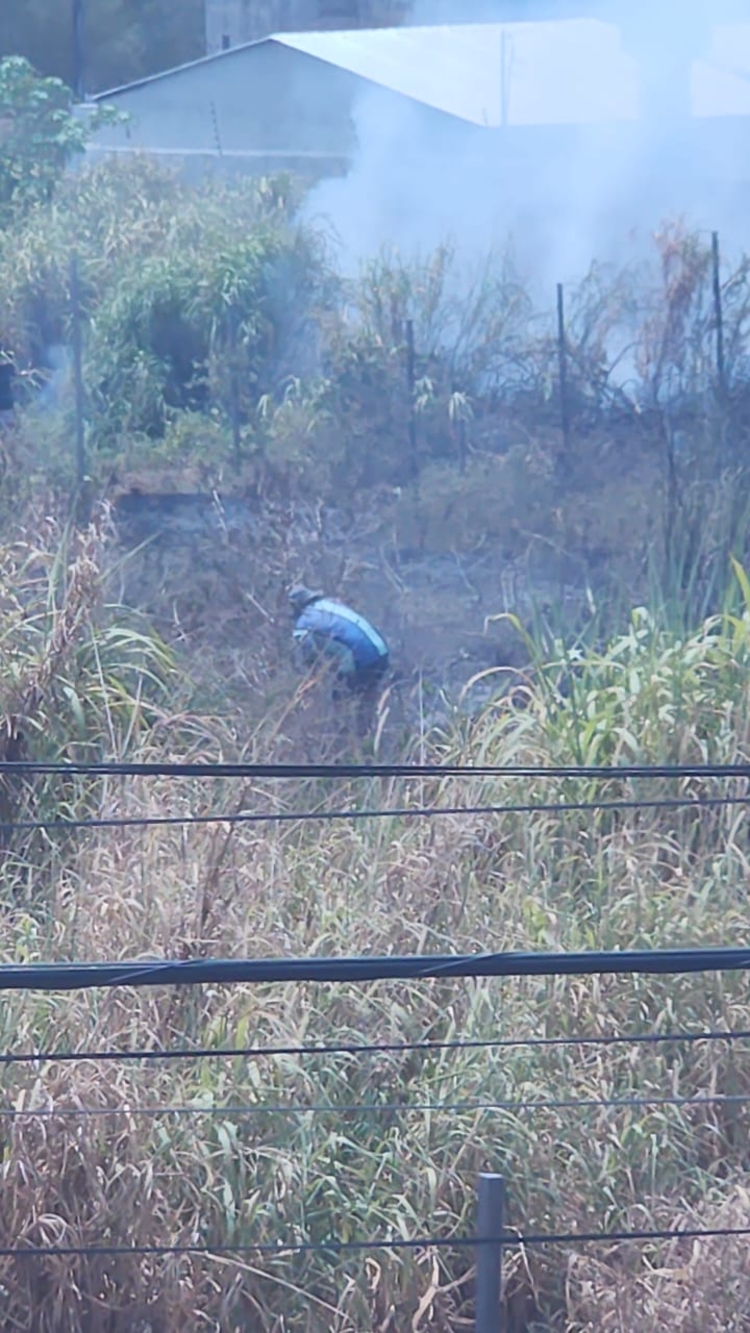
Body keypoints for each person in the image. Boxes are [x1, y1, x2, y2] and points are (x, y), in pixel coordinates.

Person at [288, 585, 390, 725]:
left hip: (363, 658)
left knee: (339, 698)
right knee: (367, 697)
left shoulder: (304, 623)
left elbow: (309, 659)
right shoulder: (331, 603)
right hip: (381, 649)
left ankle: (345, 733)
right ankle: (370, 727)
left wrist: (311, 679)